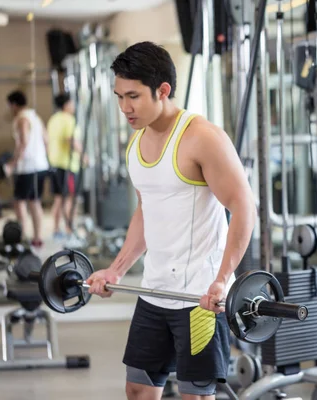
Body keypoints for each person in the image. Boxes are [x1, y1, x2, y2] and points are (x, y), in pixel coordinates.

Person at [85, 42, 256, 400]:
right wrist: (116, 270)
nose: (124, 108)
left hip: (199, 297)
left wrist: (222, 280)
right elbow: (146, 211)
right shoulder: (136, 144)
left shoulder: (203, 138)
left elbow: (244, 207)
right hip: (154, 291)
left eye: (133, 96)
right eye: (119, 96)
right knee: (138, 389)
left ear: (163, 90)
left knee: (195, 396)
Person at [5, 90, 50, 248]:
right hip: (41, 165)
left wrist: (11, 164)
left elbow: (23, 142)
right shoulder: (35, 117)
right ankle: (37, 238)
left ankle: (22, 237)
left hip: (28, 167)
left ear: (14, 105)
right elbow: (46, 139)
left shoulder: (22, 118)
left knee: (19, 203)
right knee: (35, 201)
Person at [46, 93, 84, 241]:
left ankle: (56, 230)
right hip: (67, 165)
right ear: (66, 105)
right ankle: (69, 230)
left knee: (58, 199)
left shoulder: (53, 119)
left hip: (55, 164)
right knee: (69, 199)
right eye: (72, 103)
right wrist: (83, 156)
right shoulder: (68, 120)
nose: (73, 106)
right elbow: (71, 140)